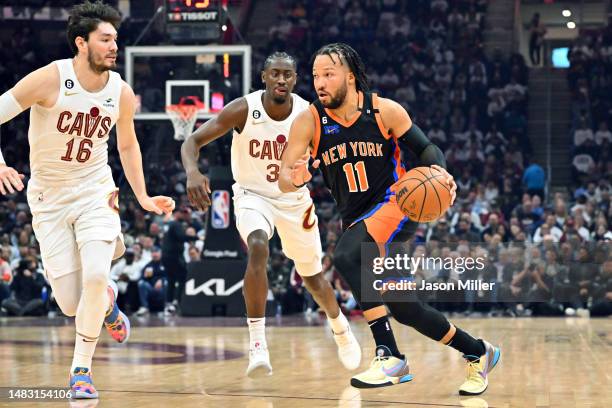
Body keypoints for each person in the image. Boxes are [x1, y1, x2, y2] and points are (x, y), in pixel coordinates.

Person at [279, 43, 500, 395]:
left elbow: (427, 149)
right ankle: (478, 351)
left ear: (350, 77)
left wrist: (439, 174)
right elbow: (284, 176)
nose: (319, 82)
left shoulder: (383, 110)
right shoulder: (309, 120)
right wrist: (297, 175)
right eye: (316, 75)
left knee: (348, 256)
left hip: (396, 205)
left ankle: (390, 355)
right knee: (404, 307)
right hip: (357, 219)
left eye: (328, 74)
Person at [0, 1, 174, 399]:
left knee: (96, 275)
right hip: (49, 197)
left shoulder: (120, 91)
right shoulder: (50, 79)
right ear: (82, 42)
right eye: (106, 39)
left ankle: (80, 370)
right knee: (70, 304)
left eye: (116, 38)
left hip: (96, 190)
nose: (115, 46)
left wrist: (143, 196)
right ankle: (108, 304)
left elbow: (128, 147)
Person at [181, 51, 361, 377]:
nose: (281, 80)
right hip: (252, 195)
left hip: (293, 201)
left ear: (294, 79)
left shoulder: (309, 114)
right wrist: (193, 173)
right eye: (275, 73)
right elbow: (192, 141)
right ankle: (257, 342)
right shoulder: (243, 109)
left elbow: (335, 155)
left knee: (314, 279)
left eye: (287, 75)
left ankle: (340, 327)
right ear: (264, 76)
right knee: (259, 246)